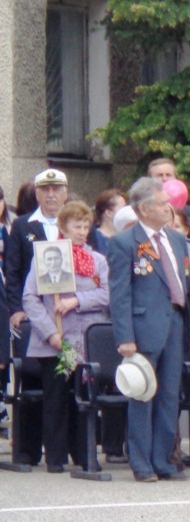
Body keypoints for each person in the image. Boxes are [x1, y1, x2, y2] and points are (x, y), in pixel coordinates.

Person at [109, 177, 190, 482]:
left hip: (175, 323)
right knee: (143, 395)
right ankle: (142, 463)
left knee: (170, 396)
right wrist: (125, 338)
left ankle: (164, 460)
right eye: (162, 204)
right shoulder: (124, 243)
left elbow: (183, 284)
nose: (168, 208)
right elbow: (119, 294)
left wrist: (189, 325)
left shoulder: (174, 239)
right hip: (144, 327)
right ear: (144, 209)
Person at [22, 201, 110, 473]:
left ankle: (84, 454)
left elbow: (107, 295)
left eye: (86, 226)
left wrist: (76, 301)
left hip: (85, 341)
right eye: (76, 226)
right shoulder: (47, 256)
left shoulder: (98, 260)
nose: (82, 231)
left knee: (84, 398)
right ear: (63, 227)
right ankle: (56, 457)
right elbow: (30, 298)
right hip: (56, 342)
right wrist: (50, 333)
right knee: (56, 399)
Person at [5, 169, 68, 466]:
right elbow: (14, 273)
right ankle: (27, 451)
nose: (51, 195)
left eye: (57, 189)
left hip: (68, 318)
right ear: (37, 193)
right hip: (34, 318)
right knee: (32, 381)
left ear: (66, 192)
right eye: (46, 190)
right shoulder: (22, 226)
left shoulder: (75, 222)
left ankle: (67, 451)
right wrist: (17, 309)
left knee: (66, 382)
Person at [148, 158, 190, 232]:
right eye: (159, 175)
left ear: (175, 178)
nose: (164, 179)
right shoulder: (144, 211)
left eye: (168, 175)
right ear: (150, 180)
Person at [89, 189, 127, 256]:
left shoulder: (127, 237)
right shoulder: (93, 239)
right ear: (108, 213)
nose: (126, 212)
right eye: (123, 209)